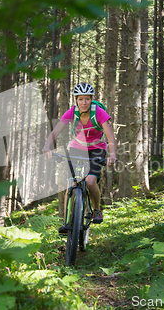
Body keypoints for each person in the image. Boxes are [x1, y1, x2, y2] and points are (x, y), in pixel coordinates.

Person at [42, 82, 117, 225]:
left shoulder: (99, 113)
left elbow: (110, 136)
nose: (84, 102)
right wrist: (47, 146)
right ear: (76, 99)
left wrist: (112, 154)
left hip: (97, 149)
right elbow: (55, 131)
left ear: (91, 99)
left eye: (87, 99)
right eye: (80, 99)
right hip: (77, 147)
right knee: (70, 184)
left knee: (90, 182)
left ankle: (96, 209)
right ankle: (67, 222)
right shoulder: (72, 112)